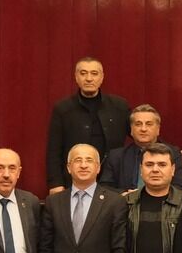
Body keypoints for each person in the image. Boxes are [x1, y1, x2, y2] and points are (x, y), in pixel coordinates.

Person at [44, 56, 130, 194]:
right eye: (83, 73)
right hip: (73, 181)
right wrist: (55, 183)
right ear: (76, 77)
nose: (89, 78)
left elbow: (141, 135)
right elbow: (54, 150)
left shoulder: (119, 106)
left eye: (94, 73)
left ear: (102, 77)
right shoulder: (63, 109)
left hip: (112, 182)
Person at [104, 104, 164, 191]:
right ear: (131, 130)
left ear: (158, 129)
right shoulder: (116, 156)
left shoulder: (172, 154)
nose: (143, 129)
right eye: (138, 124)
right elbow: (105, 188)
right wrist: (127, 195)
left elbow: (179, 188)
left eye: (149, 124)